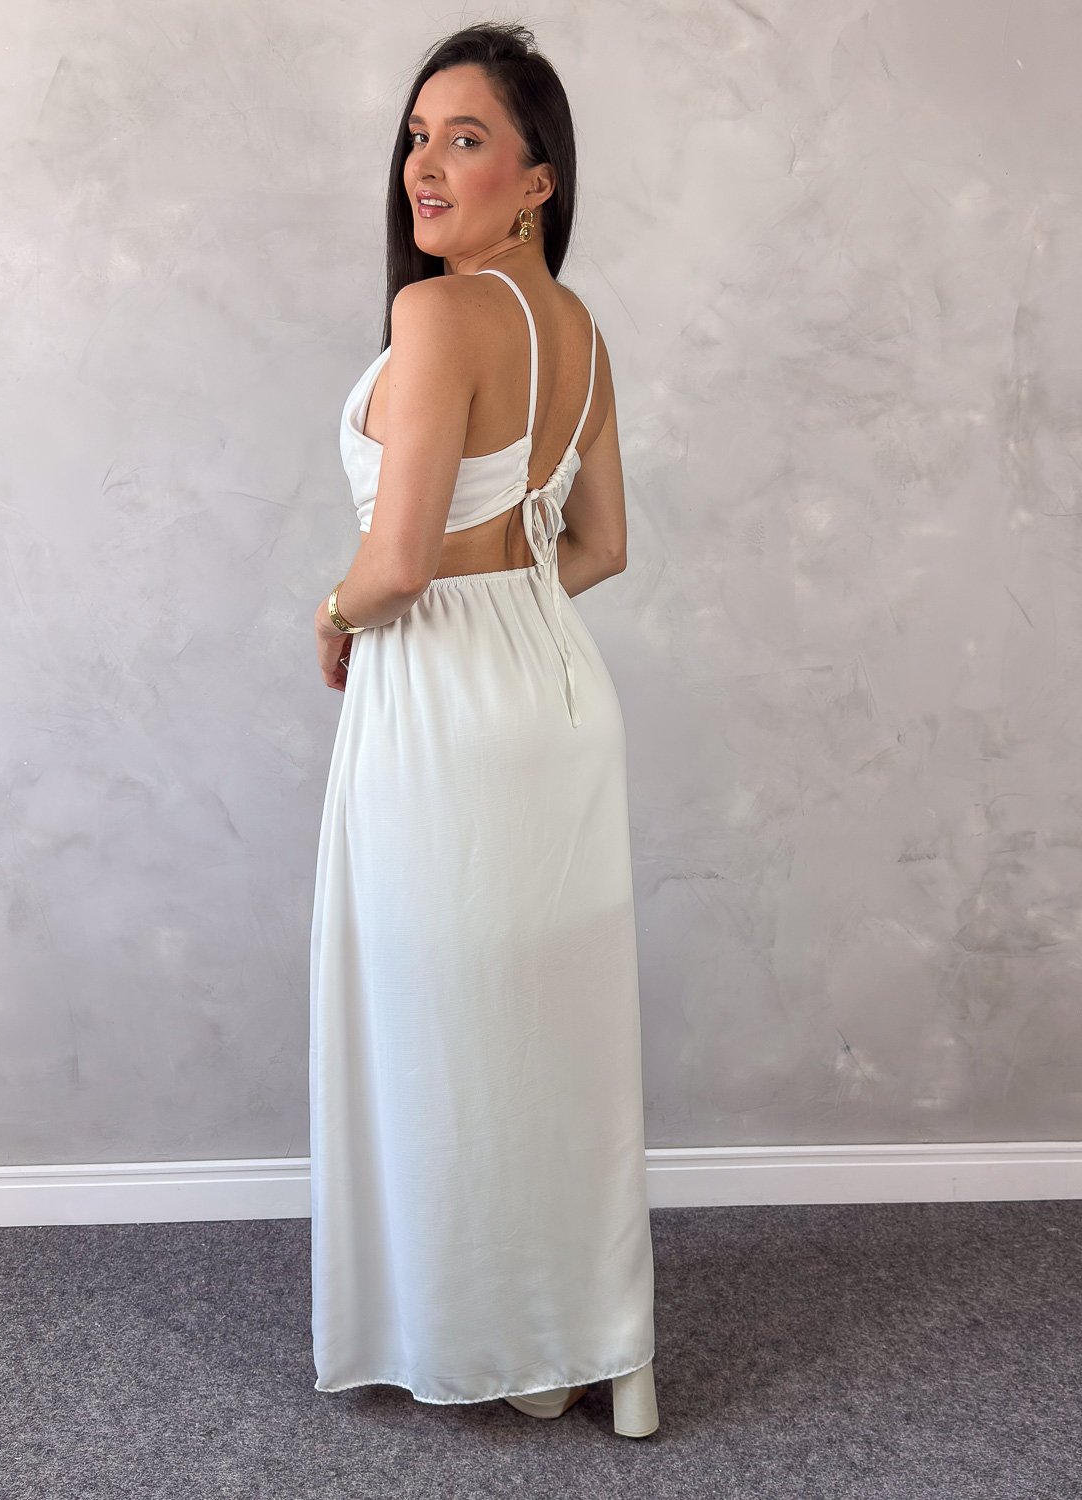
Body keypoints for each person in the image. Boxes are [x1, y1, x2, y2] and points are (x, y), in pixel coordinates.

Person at [309, 22, 659, 1439]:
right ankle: (585, 1348)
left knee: (451, 1037)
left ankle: (504, 1340)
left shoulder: (441, 315)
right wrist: (510, 605)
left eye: (467, 139)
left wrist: (336, 611)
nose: (427, 165)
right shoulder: (580, 332)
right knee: (551, 1037)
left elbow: (397, 565)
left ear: (538, 180)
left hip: (442, 706)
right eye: (417, 135)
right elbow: (603, 546)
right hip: (555, 691)